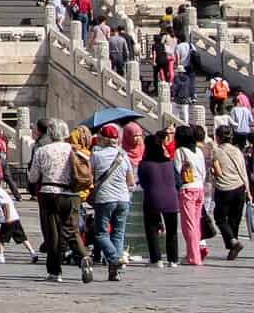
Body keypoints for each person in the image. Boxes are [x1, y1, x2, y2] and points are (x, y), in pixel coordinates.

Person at [26, 119, 92, 283]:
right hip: (72, 195)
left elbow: (33, 177)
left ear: (50, 133)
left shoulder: (43, 150)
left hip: (50, 193)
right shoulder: (74, 150)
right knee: (72, 230)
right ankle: (84, 255)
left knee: (53, 233)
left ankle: (55, 271)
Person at [89, 124, 133, 281]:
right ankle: (114, 272)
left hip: (105, 198)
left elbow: (90, 177)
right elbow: (131, 180)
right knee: (118, 233)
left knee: (101, 234)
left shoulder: (96, 156)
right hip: (123, 198)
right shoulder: (124, 155)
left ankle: (114, 258)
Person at [137, 124, 181, 266]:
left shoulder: (144, 164)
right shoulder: (169, 163)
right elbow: (177, 180)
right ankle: (173, 259)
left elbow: (142, 183)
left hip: (153, 198)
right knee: (172, 231)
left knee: (152, 229)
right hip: (171, 199)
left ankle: (156, 259)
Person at [209, 125, 252, 260]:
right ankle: (233, 246)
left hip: (224, 189)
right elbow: (243, 171)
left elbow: (218, 172)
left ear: (218, 137)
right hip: (240, 187)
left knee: (220, 218)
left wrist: (212, 172)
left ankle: (233, 243)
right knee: (235, 220)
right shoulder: (237, 151)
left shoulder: (216, 151)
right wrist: (248, 191)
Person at [176, 124, 210, 265]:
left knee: (188, 224)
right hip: (199, 188)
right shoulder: (198, 151)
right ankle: (195, 252)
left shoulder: (180, 151)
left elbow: (177, 170)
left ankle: (193, 256)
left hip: (187, 188)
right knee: (195, 223)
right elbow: (203, 171)